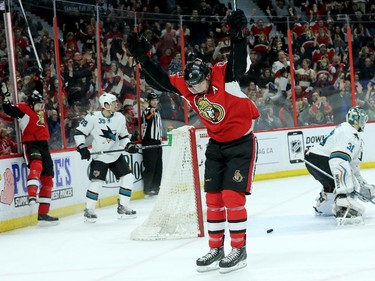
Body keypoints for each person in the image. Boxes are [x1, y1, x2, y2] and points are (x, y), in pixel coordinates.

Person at [127, 9, 260, 273]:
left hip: (241, 144)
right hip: (216, 145)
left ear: (208, 76)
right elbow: (161, 80)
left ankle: (239, 250)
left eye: (199, 84)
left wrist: (237, 36)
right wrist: (142, 57)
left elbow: (238, 61)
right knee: (212, 198)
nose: (196, 90)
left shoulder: (225, 76)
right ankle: (215, 248)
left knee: (232, 197)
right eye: (192, 86)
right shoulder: (188, 86)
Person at [1, 78, 59, 225]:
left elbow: (38, 90)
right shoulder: (24, 110)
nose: (41, 107)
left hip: (44, 146)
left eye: (42, 104)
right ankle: (32, 195)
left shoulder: (41, 111)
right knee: (36, 165)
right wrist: (5, 97)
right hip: (31, 144)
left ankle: (43, 214)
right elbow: (9, 110)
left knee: (48, 178)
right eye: (39, 104)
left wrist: (39, 79)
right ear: (32, 104)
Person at [304, 106, 375, 225]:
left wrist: (363, 185)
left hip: (313, 159)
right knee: (347, 183)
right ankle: (344, 206)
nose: (364, 123)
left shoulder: (349, 132)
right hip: (321, 159)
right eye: (362, 120)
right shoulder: (349, 133)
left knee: (336, 184)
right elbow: (338, 160)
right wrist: (344, 192)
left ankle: (325, 206)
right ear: (358, 120)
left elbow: (353, 168)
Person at [74, 93, 138, 223]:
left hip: (115, 155)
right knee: (97, 182)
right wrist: (81, 147)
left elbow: (123, 137)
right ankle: (89, 210)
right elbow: (79, 132)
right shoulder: (93, 117)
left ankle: (123, 207)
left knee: (128, 177)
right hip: (100, 157)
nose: (117, 104)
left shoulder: (120, 117)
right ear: (106, 105)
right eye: (114, 103)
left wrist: (129, 145)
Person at [141, 91, 163, 197]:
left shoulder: (157, 111)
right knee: (150, 166)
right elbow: (148, 118)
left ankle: (156, 187)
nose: (155, 102)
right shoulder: (148, 111)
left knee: (158, 166)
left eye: (156, 100)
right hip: (149, 141)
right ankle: (148, 188)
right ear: (149, 101)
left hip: (157, 141)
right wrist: (151, 111)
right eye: (153, 100)